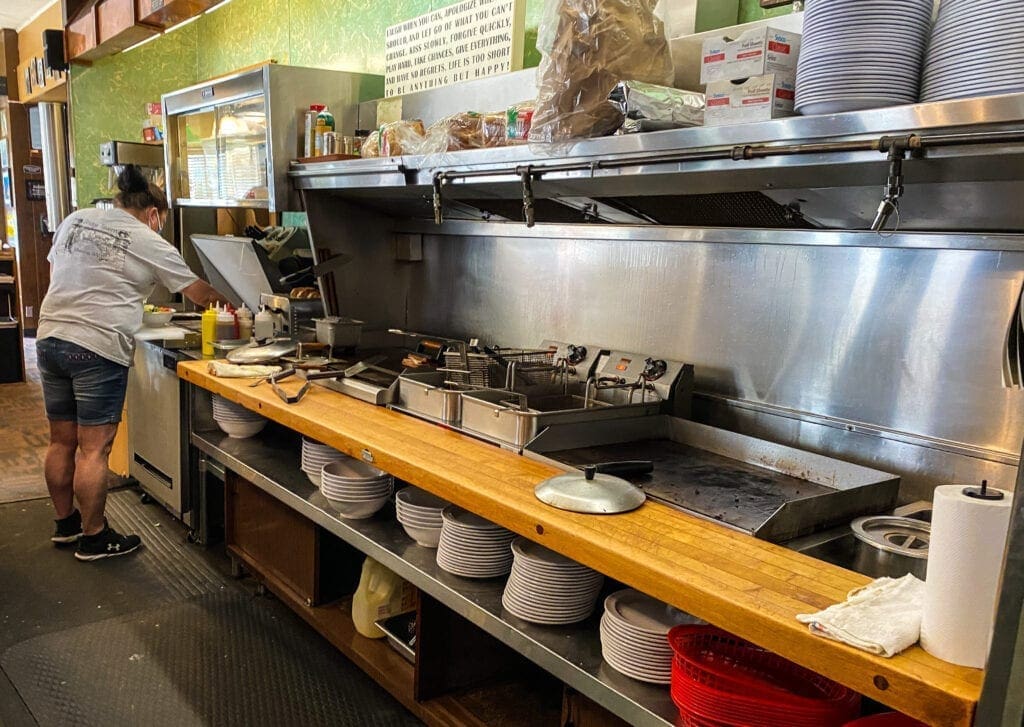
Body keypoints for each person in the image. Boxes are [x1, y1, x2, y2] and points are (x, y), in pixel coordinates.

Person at [36, 165, 227, 561]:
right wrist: (235, 309)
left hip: (49, 337)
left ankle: (66, 524)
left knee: (61, 440)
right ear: (154, 214)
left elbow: (60, 274)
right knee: (94, 450)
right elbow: (198, 292)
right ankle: (94, 537)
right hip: (96, 348)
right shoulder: (148, 238)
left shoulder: (75, 219)